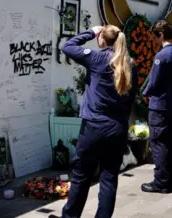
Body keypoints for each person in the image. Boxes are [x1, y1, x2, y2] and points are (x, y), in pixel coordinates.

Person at [49, 25, 138, 218]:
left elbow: (67, 46)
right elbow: (131, 98)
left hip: (94, 126)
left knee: (81, 176)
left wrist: (91, 31)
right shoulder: (130, 63)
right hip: (117, 128)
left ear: (102, 40)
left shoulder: (97, 58)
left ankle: (70, 216)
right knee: (108, 178)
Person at [141, 20, 172, 193]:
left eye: (155, 37)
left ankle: (161, 182)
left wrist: (144, 93)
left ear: (160, 35)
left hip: (159, 106)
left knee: (159, 143)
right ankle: (169, 178)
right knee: (169, 143)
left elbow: (154, 81)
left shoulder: (162, 55)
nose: (155, 41)